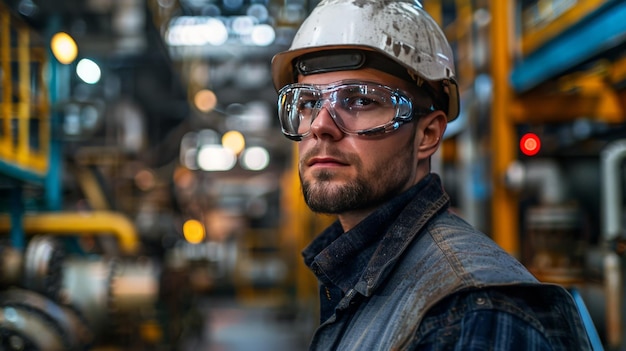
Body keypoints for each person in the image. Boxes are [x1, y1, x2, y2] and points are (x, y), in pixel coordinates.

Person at [270, 0, 593, 350]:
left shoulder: (472, 315)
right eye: (306, 103)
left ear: (427, 135)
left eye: (361, 101)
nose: (320, 126)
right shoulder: (360, 279)